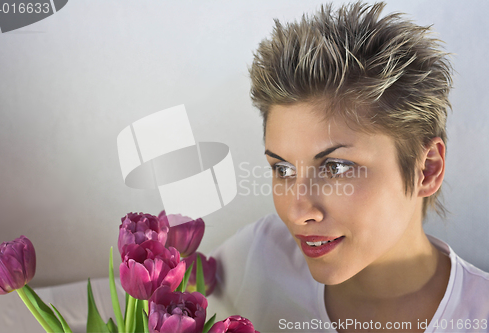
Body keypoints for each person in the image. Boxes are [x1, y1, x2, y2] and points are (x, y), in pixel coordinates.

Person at [209, 2, 489, 333]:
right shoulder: (256, 258)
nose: (298, 212)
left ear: (426, 169)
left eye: (336, 167)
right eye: (282, 169)